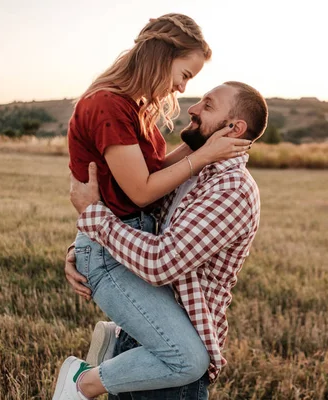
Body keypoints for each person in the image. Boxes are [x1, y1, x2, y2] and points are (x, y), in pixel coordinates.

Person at [52, 12, 252, 400]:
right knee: (188, 359)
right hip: (112, 250)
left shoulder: (133, 107)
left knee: (180, 352)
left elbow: (153, 172)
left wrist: (202, 147)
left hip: (124, 240)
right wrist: (204, 153)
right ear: (162, 56)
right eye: (185, 74)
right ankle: (83, 382)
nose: (182, 87)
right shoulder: (108, 106)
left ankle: (118, 349)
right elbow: (142, 191)